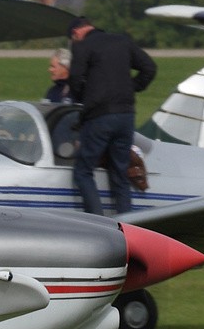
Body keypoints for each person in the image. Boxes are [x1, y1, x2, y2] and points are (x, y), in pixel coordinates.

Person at [67, 16, 156, 215]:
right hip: (126, 116)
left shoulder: (83, 46)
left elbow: (74, 79)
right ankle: (126, 225)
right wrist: (131, 89)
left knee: (83, 171)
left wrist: (84, 97)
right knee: (120, 174)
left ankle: (98, 222)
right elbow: (150, 68)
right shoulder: (122, 41)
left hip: (99, 117)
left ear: (76, 34)